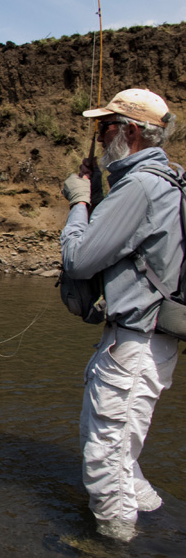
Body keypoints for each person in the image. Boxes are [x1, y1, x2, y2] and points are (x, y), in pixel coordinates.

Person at [60, 88, 182, 542]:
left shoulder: (140, 187)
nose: (99, 133)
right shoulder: (172, 179)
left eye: (104, 126)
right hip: (154, 342)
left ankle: (113, 542)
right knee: (123, 449)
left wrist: (79, 202)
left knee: (105, 454)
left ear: (130, 131)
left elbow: (79, 260)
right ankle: (155, 523)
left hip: (133, 344)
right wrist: (100, 194)